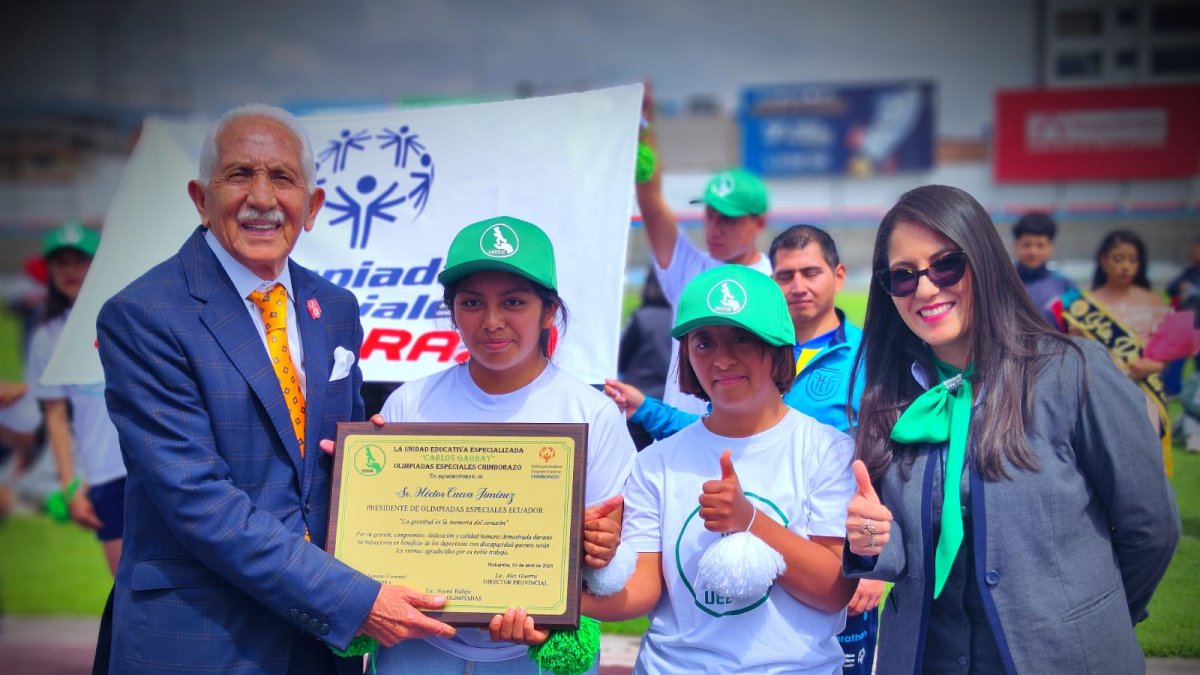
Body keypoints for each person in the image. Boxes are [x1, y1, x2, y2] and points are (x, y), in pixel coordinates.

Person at [96, 104, 455, 674]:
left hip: (317, 645)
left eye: (282, 178)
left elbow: (332, 463)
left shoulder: (334, 309)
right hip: (203, 636)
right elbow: (197, 500)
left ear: (311, 206)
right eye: (239, 174)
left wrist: (376, 462)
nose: (262, 198)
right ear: (199, 197)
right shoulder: (146, 314)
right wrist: (354, 599)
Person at [843, 185, 1180, 674]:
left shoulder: (1074, 372)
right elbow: (901, 555)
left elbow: (1151, 529)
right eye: (903, 275)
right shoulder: (890, 399)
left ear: (983, 260)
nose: (926, 288)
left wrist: (1089, 617)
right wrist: (871, 541)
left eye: (946, 265)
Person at [605, 225, 881, 673]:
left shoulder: (827, 450)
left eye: (742, 339)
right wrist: (567, 582)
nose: (722, 359)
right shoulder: (655, 463)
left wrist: (749, 520)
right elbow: (643, 592)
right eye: (704, 342)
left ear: (778, 349)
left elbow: (834, 590)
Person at [370, 215, 635, 674]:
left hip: (534, 656)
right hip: (422, 650)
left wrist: (601, 546)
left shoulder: (592, 413)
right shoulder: (408, 404)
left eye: (513, 302)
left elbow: (616, 555)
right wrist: (364, 476)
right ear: (452, 310)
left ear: (549, 310)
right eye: (472, 302)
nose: (492, 322)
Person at [636, 86, 773, 416]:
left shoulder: (776, 282)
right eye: (710, 216)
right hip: (677, 435)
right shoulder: (688, 267)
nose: (715, 228)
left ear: (759, 222)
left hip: (744, 436)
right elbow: (651, 200)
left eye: (728, 219)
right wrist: (644, 127)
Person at [24, 221, 127, 574]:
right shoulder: (46, 338)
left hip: (151, 464)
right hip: (104, 475)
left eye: (79, 261)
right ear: (50, 270)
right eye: (61, 262)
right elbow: (55, 416)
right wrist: (70, 486)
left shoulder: (126, 317)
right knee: (125, 590)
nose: (70, 271)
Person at [1060, 229, 1173, 474]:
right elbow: (1075, 354)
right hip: (1100, 394)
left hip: (1146, 392)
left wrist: (1154, 365)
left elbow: (1168, 349)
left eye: (1132, 259)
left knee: (1149, 466)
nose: (1125, 266)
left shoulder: (1154, 302)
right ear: (1103, 260)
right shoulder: (1084, 304)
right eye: (1118, 258)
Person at [1010, 211, 1075, 330]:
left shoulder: (1065, 285)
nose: (1033, 251)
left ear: (1051, 247)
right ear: (1015, 245)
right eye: (1027, 245)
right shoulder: (1001, 281)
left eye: (1040, 245)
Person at [616, 271, 672, 401]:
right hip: (671, 399)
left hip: (638, 397)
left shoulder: (642, 317)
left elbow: (621, 359)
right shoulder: (683, 320)